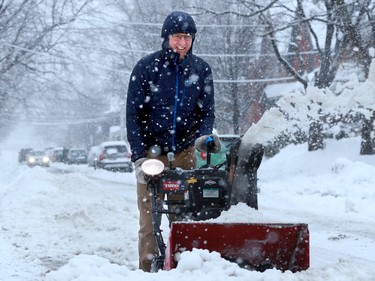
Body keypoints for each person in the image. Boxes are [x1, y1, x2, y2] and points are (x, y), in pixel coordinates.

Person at [126, 11, 218, 272]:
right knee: (149, 219)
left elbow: (206, 111)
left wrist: (203, 136)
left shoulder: (200, 69)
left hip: (185, 153)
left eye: (188, 37)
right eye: (177, 36)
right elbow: (133, 114)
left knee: (183, 217)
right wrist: (138, 156)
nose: (182, 43)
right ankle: (147, 269)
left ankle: (182, 268)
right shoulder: (146, 68)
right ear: (166, 37)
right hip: (151, 156)